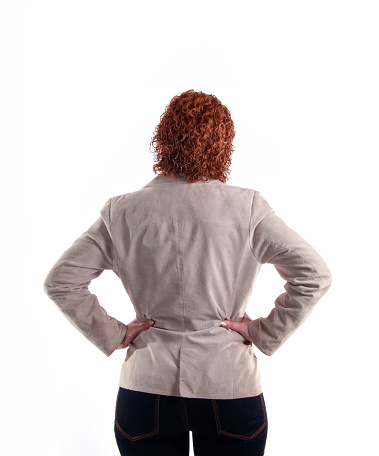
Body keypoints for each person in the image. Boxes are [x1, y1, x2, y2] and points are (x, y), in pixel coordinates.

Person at [43, 89, 332, 456]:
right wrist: (262, 332)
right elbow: (315, 275)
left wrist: (116, 335)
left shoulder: (123, 212)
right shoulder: (247, 209)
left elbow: (61, 282)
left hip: (147, 386)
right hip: (227, 384)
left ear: (163, 139)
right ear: (224, 145)